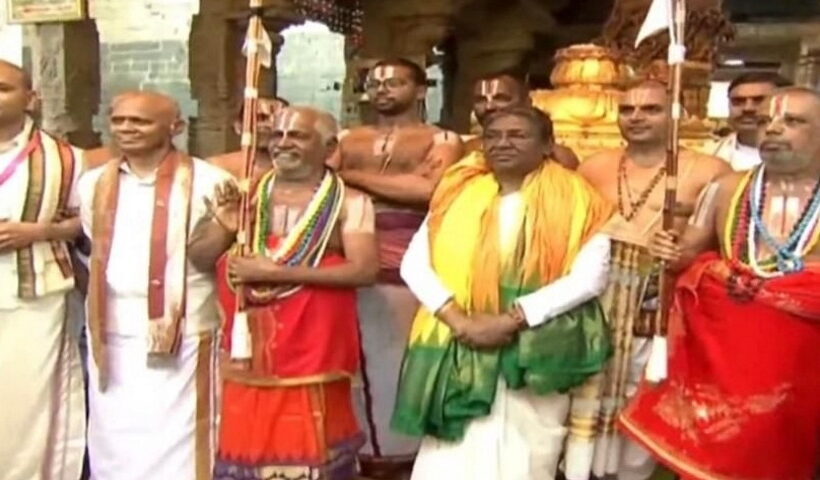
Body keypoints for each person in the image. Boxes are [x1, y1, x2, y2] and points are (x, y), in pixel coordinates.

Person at [392, 106, 613, 480]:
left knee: (525, 460)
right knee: (448, 457)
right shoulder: (457, 194)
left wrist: (510, 320)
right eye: (493, 136)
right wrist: (460, 320)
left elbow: (589, 277)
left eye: (517, 135)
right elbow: (414, 264)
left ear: (547, 145)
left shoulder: (580, 200)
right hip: (457, 339)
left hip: (533, 348)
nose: (502, 143)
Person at [620, 86, 820, 480]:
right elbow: (687, 254)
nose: (773, 130)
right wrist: (670, 250)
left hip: (801, 367)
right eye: (766, 122)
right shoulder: (727, 188)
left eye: (792, 122)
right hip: (723, 360)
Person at [187, 106, 378, 479]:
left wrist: (279, 271)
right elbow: (199, 258)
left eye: (297, 136)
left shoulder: (351, 203)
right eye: (277, 135)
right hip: (249, 350)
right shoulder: (246, 196)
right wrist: (225, 227)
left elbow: (365, 269)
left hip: (314, 351)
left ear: (329, 147)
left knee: (313, 446)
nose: (283, 143)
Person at [574, 80, 729, 480]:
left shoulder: (709, 171)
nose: (637, 117)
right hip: (599, 317)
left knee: (646, 431)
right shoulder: (593, 166)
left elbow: (723, 243)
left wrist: (687, 253)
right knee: (585, 434)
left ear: (675, 113)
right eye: (628, 110)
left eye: (651, 109)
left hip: (662, 318)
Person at [79, 90, 230, 479]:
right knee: (115, 436)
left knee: (181, 436)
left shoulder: (211, 182)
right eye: (119, 120)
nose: (127, 128)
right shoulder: (93, 183)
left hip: (185, 331)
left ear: (175, 127)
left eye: (140, 121)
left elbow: (213, 259)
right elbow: (96, 249)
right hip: (111, 331)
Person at [329, 57, 464, 478]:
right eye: (375, 83)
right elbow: (319, 180)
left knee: (395, 367)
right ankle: (357, 458)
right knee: (347, 368)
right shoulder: (346, 135)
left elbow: (429, 190)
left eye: (395, 82)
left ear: (422, 90)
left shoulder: (442, 138)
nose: (382, 89)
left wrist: (351, 176)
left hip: (404, 268)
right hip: (341, 261)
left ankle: (401, 462)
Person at [0, 59, 85, 480]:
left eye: (2, 89)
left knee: (25, 403)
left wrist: (37, 230)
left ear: (31, 99)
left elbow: (84, 222)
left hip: (33, 297)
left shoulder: (67, 159)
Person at [468, 72, 580, 169]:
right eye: (480, 100)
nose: (489, 106)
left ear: (527, 102)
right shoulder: (465, 150)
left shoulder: (557, 157)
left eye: (501, 98)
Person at [713, 72, 791, 171]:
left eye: (759, 100)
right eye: (738, 101)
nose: (748, 108)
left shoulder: (812, 157)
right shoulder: (705, 154)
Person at [208, 96, 288, 181]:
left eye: (277, 119)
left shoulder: (298, 172)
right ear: (238, 126)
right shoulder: (217, 167)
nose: (269, 124)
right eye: (260, 117)